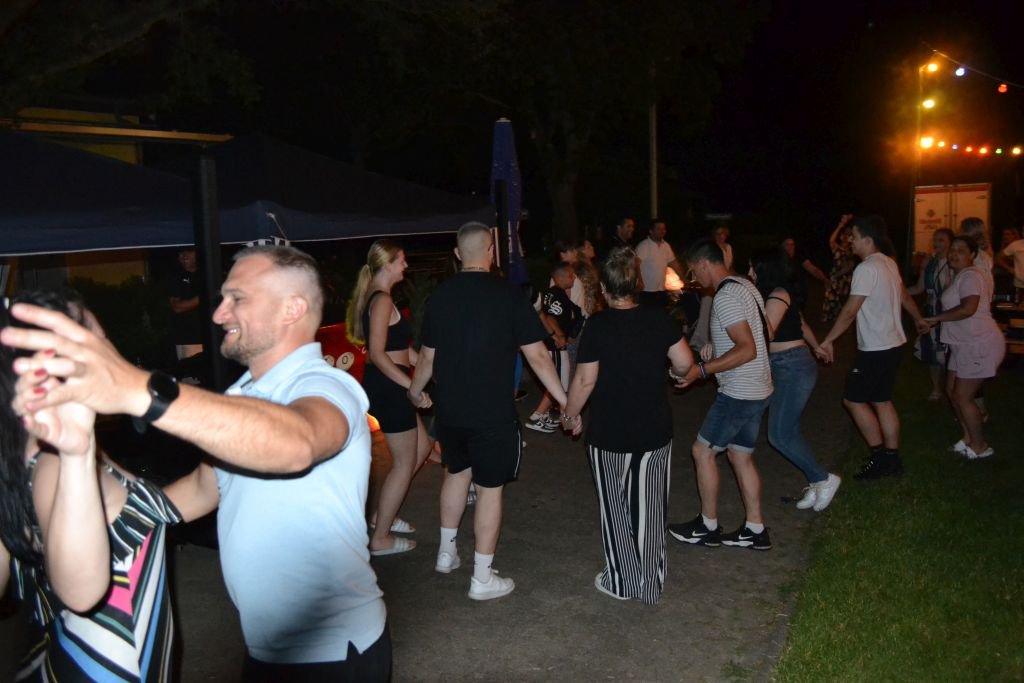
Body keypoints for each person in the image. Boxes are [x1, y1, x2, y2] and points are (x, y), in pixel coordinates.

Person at [4, 245, 391, 681]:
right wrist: (69, 519)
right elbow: (203, 488)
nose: (219, 313)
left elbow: (299, 442)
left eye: (236, 299)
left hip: (334, 650)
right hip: (265, 648)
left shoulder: (327, 385)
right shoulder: (241, 396)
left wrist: (137, 389)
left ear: (292, 309)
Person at [2, 289, 184, 681]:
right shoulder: (55, 463)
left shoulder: (31, 453)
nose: (109, 346)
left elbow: (159, 508)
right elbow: (81, 593)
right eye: (95, 337)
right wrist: (76, 454)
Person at [407, 222, 568, 601]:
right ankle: (481, 577)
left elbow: (427, 357)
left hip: (451, 408)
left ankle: (446, 553)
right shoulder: (509, 295)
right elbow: (538, 356)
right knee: (490, 489)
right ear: (492, 252)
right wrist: (564, 401)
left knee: (455, 473)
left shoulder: (442, 296)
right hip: (492, 411)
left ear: (458, 254)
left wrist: (415, 391)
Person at [561, 247, 693, 603]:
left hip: (609, 431)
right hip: (653, 428)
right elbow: (684, 362)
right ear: (637, 284)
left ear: (604, 288)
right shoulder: (660, 319)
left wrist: (570, 414)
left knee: (615, 506)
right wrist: (676, 374)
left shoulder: (597, 326)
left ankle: (623, 580)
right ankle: (650, 583)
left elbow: (585, 381)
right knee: (650, 507)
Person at [668, 238, 774, 551]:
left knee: (702, 452)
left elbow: (748, 348)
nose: (694, 277)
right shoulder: (746, 286)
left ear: (704, 263)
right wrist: (719, 345)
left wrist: (701, 371)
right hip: (759, 387)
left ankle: (707, 526)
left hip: (739, 392)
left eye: (693, 270)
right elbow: (765, 332)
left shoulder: (726, 296)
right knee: (739, 455)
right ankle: (755, 529)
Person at [816, 215, 928, 480]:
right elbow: (904, 295)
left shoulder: (866, 269)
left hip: (877, 347)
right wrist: (918, 318)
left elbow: (850, 310)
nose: (850, 241)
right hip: (893, 343)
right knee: (881, 399)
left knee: (852, 400)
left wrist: (828, 340)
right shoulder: (888, 262)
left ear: (867, 239)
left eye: (854, 236)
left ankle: (880, 458)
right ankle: (891, 459)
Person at [346, 239, 432, 556]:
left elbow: (401, 350)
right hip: (389, 386)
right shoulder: (381, 300)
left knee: (422, 447)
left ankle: (382, 513)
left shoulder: (381, 298)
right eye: (402, 260)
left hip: (391, 383)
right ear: (388, 265)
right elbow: (379, 355)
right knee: (404, 462)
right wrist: (412, 388)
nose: (406, 266)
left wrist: (429, 368)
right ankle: (380, 538)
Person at [749, 248, 841, 512]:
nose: (749, 272)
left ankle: (824, 478)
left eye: (753, 267)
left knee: (779, 434)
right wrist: (817, 346)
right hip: (787, 365)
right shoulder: (775, 294)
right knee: (786, 430)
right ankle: (816, 480)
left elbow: (765, 333)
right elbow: (801, 322)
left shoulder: (778, 294)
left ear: (764, 269)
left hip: (792, 366)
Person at [924, 235, 1005, 459]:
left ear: (972, 255)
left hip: (978, 343)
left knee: (963, 396)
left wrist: (936, 319)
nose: (954, 254)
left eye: (961, 250)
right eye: (953, 250)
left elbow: (968, 308)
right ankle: (968, 438)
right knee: (952, 391)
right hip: (962, 343)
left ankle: (980, 447)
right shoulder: (959, 276)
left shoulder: (971, 275)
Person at [527, 262, 582, 433]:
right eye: (570, 275)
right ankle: (538, 417)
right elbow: (549, 316)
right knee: (558, 384)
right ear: (560, 277)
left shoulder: (551, 294)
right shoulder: (556, 295)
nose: (573, 278)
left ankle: (539, 415)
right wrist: (558, 336)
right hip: (555, 346)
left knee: (557, 382)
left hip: (552, 344)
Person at [906, 228, 954, 400]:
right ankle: (936, 388)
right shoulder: (929, 263)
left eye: (941, 240)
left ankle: (953, 388)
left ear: (950, 243)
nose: (936, 243)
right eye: (935, 239)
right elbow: (920, 288)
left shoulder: (954, 263)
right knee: (933, 350)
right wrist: (898, 292)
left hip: (950, 312)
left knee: (951, 351)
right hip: (932, 311)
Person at [690, 225, 735, 350]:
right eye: (718, 233)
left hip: (723, 282)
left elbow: (729, 267)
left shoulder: (728, 247)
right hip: (710, 283)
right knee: (706, 311)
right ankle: (700, 340)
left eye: (723, 233)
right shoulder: (711, 249)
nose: (721, 236)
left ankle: (716, 342)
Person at [635, 218, 686, 308]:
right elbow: (635, 264)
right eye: (659, 229)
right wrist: (639, 281)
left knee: (661, 312)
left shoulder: (666, 246)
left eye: (664, 229)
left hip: (661, 289)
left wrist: (684, 278)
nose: (662, 231)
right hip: (646, 290)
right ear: (651, 231)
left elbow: (674, 263)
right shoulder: (644, 246)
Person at [167, 246, 205, 360]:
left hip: (213, 336)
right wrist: (204, 297)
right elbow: (176, 307)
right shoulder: (175, 277)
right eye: (181, 252)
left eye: (189, 251)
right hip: (188, 339)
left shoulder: (208, 273)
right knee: (192, 369)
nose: (184, 255)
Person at [822, 214, 858, 323]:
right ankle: (830, 321)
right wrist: (841, 225)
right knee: (831, 299)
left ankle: (841, 322)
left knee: (843, 302)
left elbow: (850, 265)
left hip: (844, 280)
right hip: (835, 278)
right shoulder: (837, 248)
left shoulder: (852, 251)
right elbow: (831, 240)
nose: (845, 237)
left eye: (848, 235)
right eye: (844, 234)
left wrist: (838, 275)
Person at [781, 235, 828, 305]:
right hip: (784, 294)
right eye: (787, 245)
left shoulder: (799, 257)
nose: (790, 247)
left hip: (799, 294)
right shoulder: (778, 260)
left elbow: (812, 269)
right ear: (782, 246)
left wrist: (824, 278)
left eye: (792, 244)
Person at [995, 227, 1024, 302]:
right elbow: (998, 258)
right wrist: (1009, 269)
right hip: (1019, 285)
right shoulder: (1015, 244)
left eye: (1008, 234)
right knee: (1018, 306)